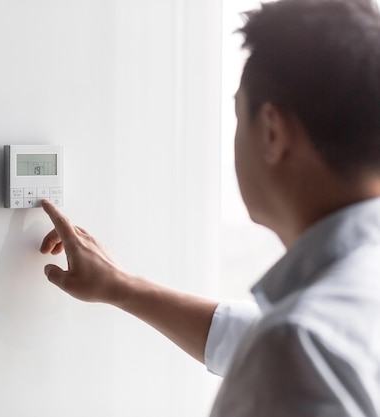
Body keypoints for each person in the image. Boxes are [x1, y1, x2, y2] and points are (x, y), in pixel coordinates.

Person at [39, 0, 380, 415]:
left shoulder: (298, 348)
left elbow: (291, 344)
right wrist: (123, 288)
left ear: (272, 132)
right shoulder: (335, 312)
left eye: (238, 115)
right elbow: (267, 335)